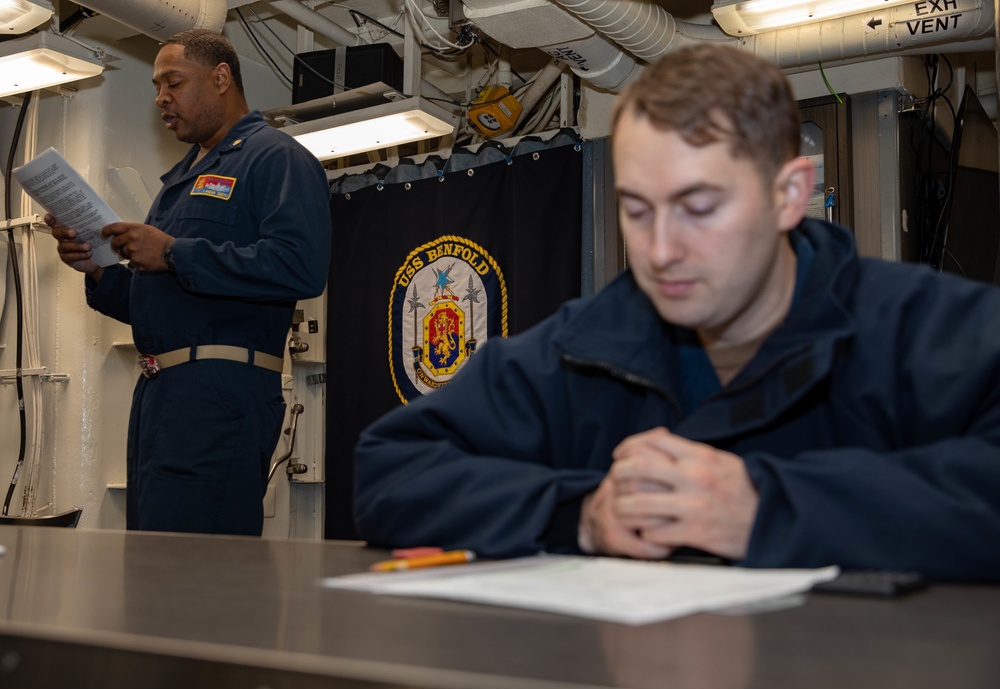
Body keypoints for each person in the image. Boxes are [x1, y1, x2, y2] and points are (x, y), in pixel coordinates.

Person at [353, 43, 1000, 581]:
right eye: (637, 208)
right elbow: (392, 468)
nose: (660, 251)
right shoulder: (582, 349)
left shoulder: (930, 329)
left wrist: (767, 507)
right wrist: (579, 513)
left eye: (699, 207)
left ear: (790, 194)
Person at [47, 29, 331, 536]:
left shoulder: (274, 158)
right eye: (157, 86)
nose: (161, 97)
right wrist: (96, 268)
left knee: (198, 573)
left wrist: (175, 251)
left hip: (221, 393)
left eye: (173, 82)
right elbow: (158, 299)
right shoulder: (180, 182)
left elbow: (301, 266)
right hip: (162, 394)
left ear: (221, 78)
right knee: (155, 561)